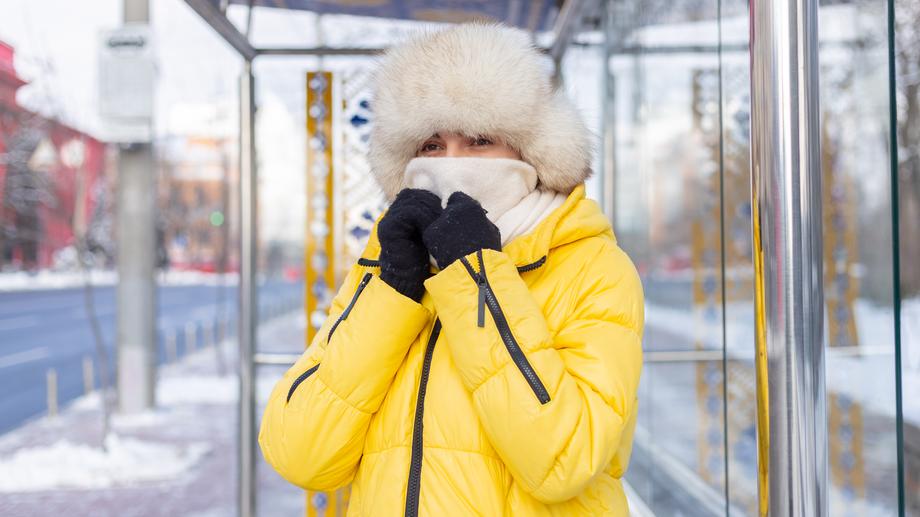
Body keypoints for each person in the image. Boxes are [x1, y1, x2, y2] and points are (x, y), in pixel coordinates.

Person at [259, 23, 644, 516]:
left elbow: (564, 458)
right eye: (431, 145)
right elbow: (300, 455)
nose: (452, 163)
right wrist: (392, 291)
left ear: (530, 149)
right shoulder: (394, 263)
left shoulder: (593, 268)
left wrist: (476, 278)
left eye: (479, 139)